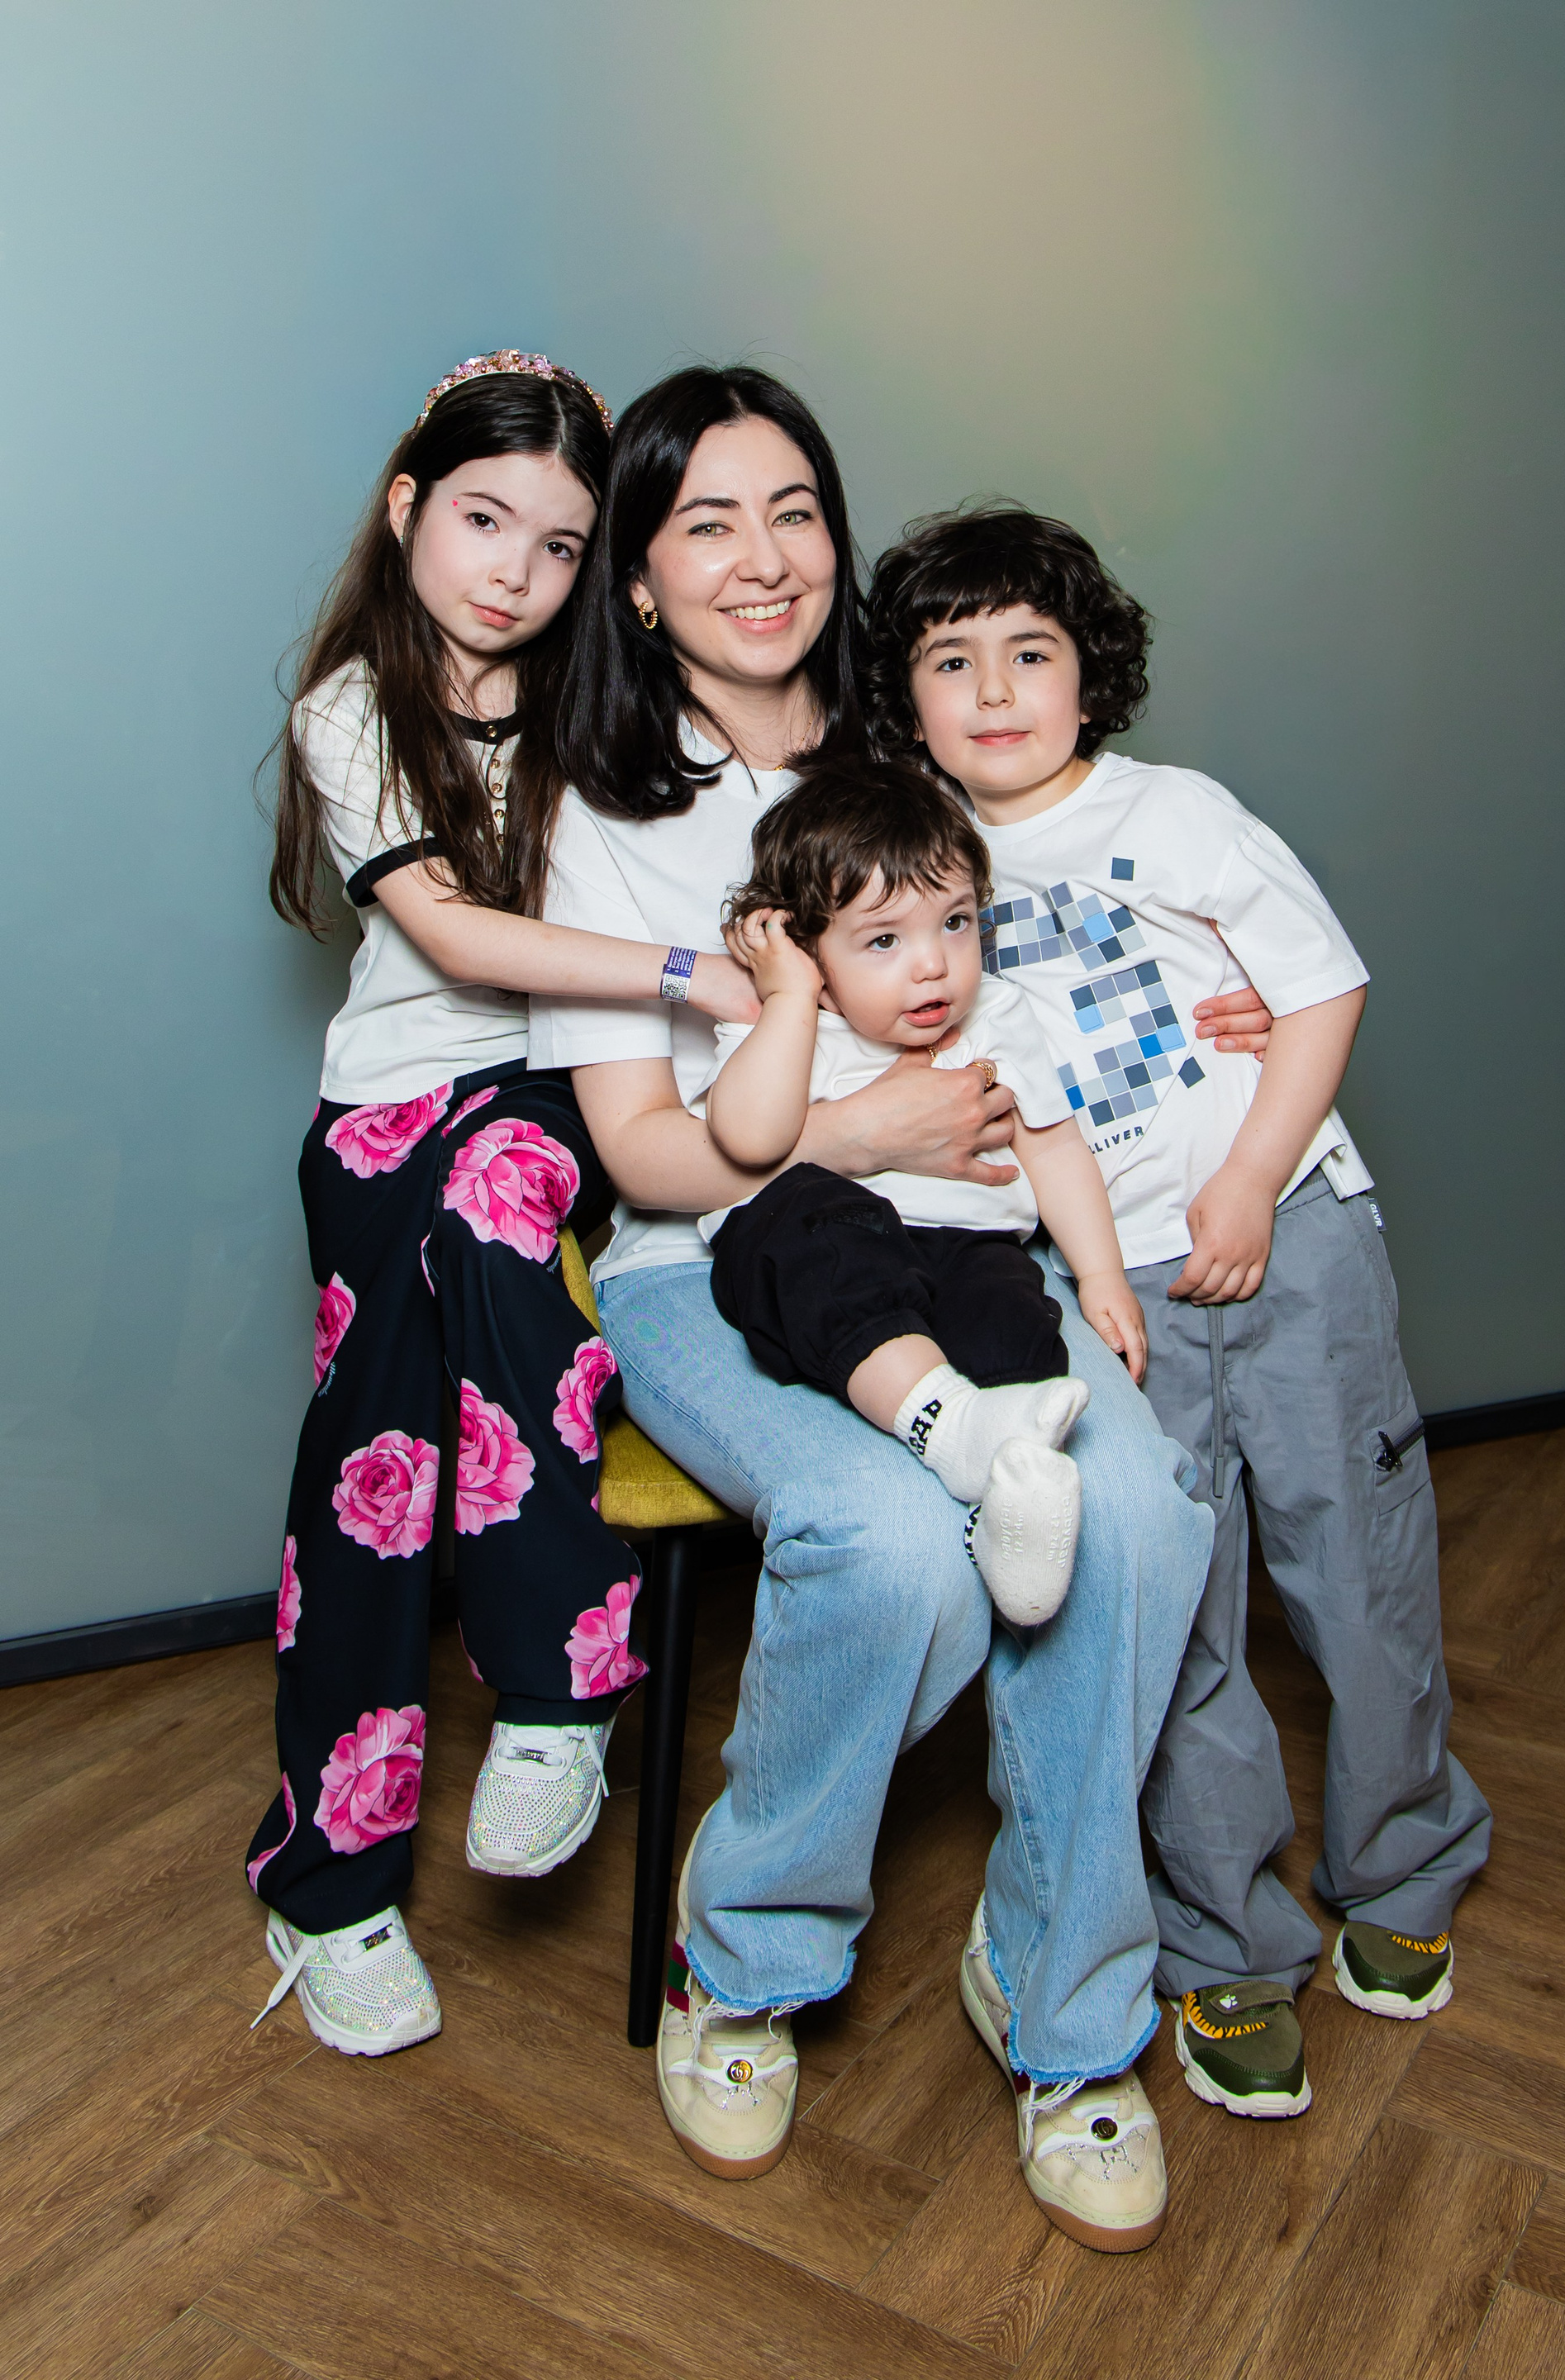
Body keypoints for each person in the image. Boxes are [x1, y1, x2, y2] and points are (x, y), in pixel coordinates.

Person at [535, 363, 1247, 2251]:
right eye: (707, 522)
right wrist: (846, 1129)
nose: (764, 557)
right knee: (890, 1538)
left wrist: (1229, 1005)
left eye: (795, 511)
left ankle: (1065, 2002)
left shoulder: (918, 750)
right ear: (636, 578)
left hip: (970, 1243)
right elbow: (643, 1147)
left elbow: (1075, 944)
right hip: (714, 1261)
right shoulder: (600, 816)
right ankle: (746, 1953)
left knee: (1137, 1507)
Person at [868, 501, 1491, 2121]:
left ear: (1091, 673)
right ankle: (1223, 1935)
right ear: (905, 695)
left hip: (1289, 1233)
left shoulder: (1179, 813)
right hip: (1108, 1285)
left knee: (1361, 1564)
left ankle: (1404, 1862)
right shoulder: (913, 861)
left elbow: (1323, 985)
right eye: (951, 660)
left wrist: (1251, 1177)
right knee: (1177, 1607)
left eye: (1029, 652)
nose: (994, 690)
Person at [250, 352, 755, 2059]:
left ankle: (558, 1685)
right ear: (408, 509)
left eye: (557, 545)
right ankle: (330, 1886)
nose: (513, 573)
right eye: (482, 521)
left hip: (557, 1085)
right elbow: (457, 937)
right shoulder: (350, 707)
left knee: (493, 1199)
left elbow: (786, 799)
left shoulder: (609, 696)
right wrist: (690, 972)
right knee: (373, 1468)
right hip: (384, 1110)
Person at [700, 758, 1149, 1627]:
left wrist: (1101, 1275)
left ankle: (1009, 1499)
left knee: (1017, 1329)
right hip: (826, 1249)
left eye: (955, 922)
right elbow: (748, 1140)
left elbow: (1053, 1145)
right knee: (815, 1228)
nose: (933, 967)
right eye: (883, 941)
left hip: (969, 1246)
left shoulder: (999, 1017)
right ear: (806, 948)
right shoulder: (792, 1028)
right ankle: (946, 1424)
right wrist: (789, 996)